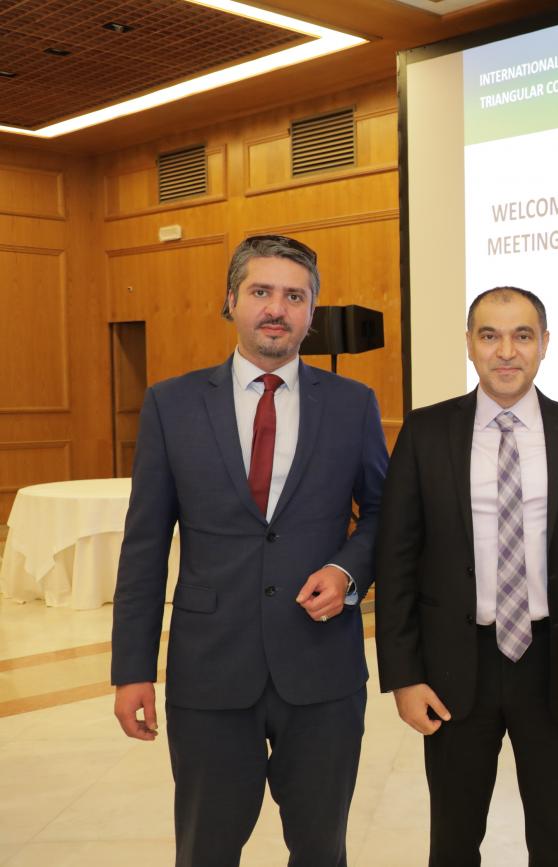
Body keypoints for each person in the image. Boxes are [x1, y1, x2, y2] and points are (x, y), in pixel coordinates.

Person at [111, 234, 389, 866]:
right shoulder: (171, 404)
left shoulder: (352, 404)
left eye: (294, 296)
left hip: (321, 670)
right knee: (205, 849)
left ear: (311, 312)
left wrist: (347, 571)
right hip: (209, 671)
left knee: (321, 849)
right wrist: (131, 669)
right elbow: (144, 544)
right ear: (231, 301)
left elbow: (384, 513)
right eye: (261, 291)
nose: (276, 309)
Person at [375, 286, 558, 867]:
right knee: (453, 837)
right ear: (469, 344)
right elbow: (396, 561)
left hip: (555, 665)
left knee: (555, 834)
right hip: (453, 665)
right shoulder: (425, 432)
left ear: (545, 344)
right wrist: (404, 675)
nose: (506, 351)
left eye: (522, 335)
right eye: (490, 336)